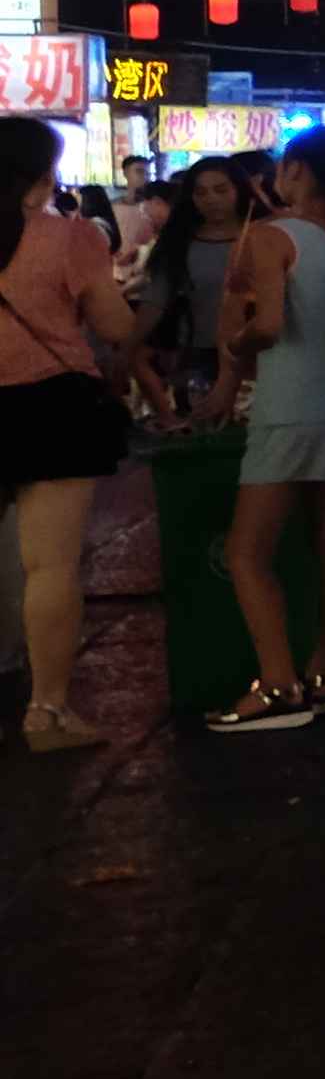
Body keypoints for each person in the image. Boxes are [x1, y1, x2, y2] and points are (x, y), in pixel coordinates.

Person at [196, 131, 325, 733]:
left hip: (291, 409)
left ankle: (278, 686)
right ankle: (323, 674)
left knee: (246, 552)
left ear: (300, 171)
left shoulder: (272, 235)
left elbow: (270, 324)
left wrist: (235, 346)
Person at [0, 118, 138, 750]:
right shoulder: (69, 236)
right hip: (50, 406)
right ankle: (47, 713)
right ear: (41, 171)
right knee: (50, 565)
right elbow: (115, 327)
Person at [131, 157, 250, 420]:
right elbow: (155, 299)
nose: (211, 199)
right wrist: (130, 346)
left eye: (221, 190)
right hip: (199, 355)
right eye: (201, 192)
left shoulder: (264, 238)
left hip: (256, 356)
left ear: (239, 190)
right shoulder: (180, 242)